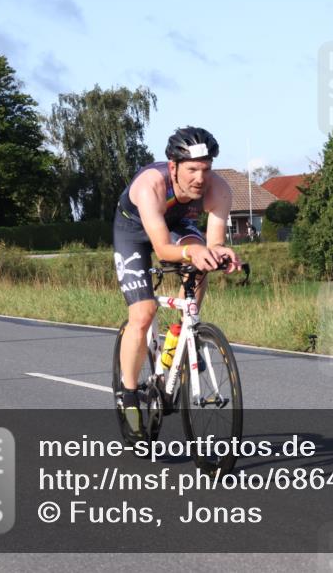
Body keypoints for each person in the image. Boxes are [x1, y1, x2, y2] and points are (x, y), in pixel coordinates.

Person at [113, 126, 241, 441]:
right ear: (173, 167)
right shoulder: (151, 185)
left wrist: (220, 253)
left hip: (177, 224)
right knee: (142, 315)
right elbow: (163, 250)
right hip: (134, 232)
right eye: (192, 169)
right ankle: (129, 395)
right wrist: (192, 251)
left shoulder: (219, 190)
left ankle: (184, 332)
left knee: (202, 266)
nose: (200, 178)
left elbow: (212, 242)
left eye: (206, 169)